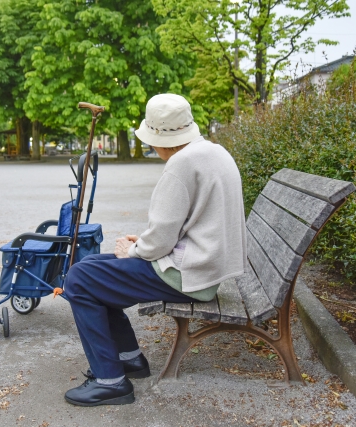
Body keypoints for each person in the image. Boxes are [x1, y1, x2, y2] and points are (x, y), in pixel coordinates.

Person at [63, 93, 247, 407]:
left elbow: (160, 240)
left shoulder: (181, 165)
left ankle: (110, 381)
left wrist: (132, 251)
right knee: (95, 271)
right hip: (205, 267)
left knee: (80, 278)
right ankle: (129, 359)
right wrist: (142, 246)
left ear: (160, 139)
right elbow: (178, 229)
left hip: (188, 275)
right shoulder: (214, 152)